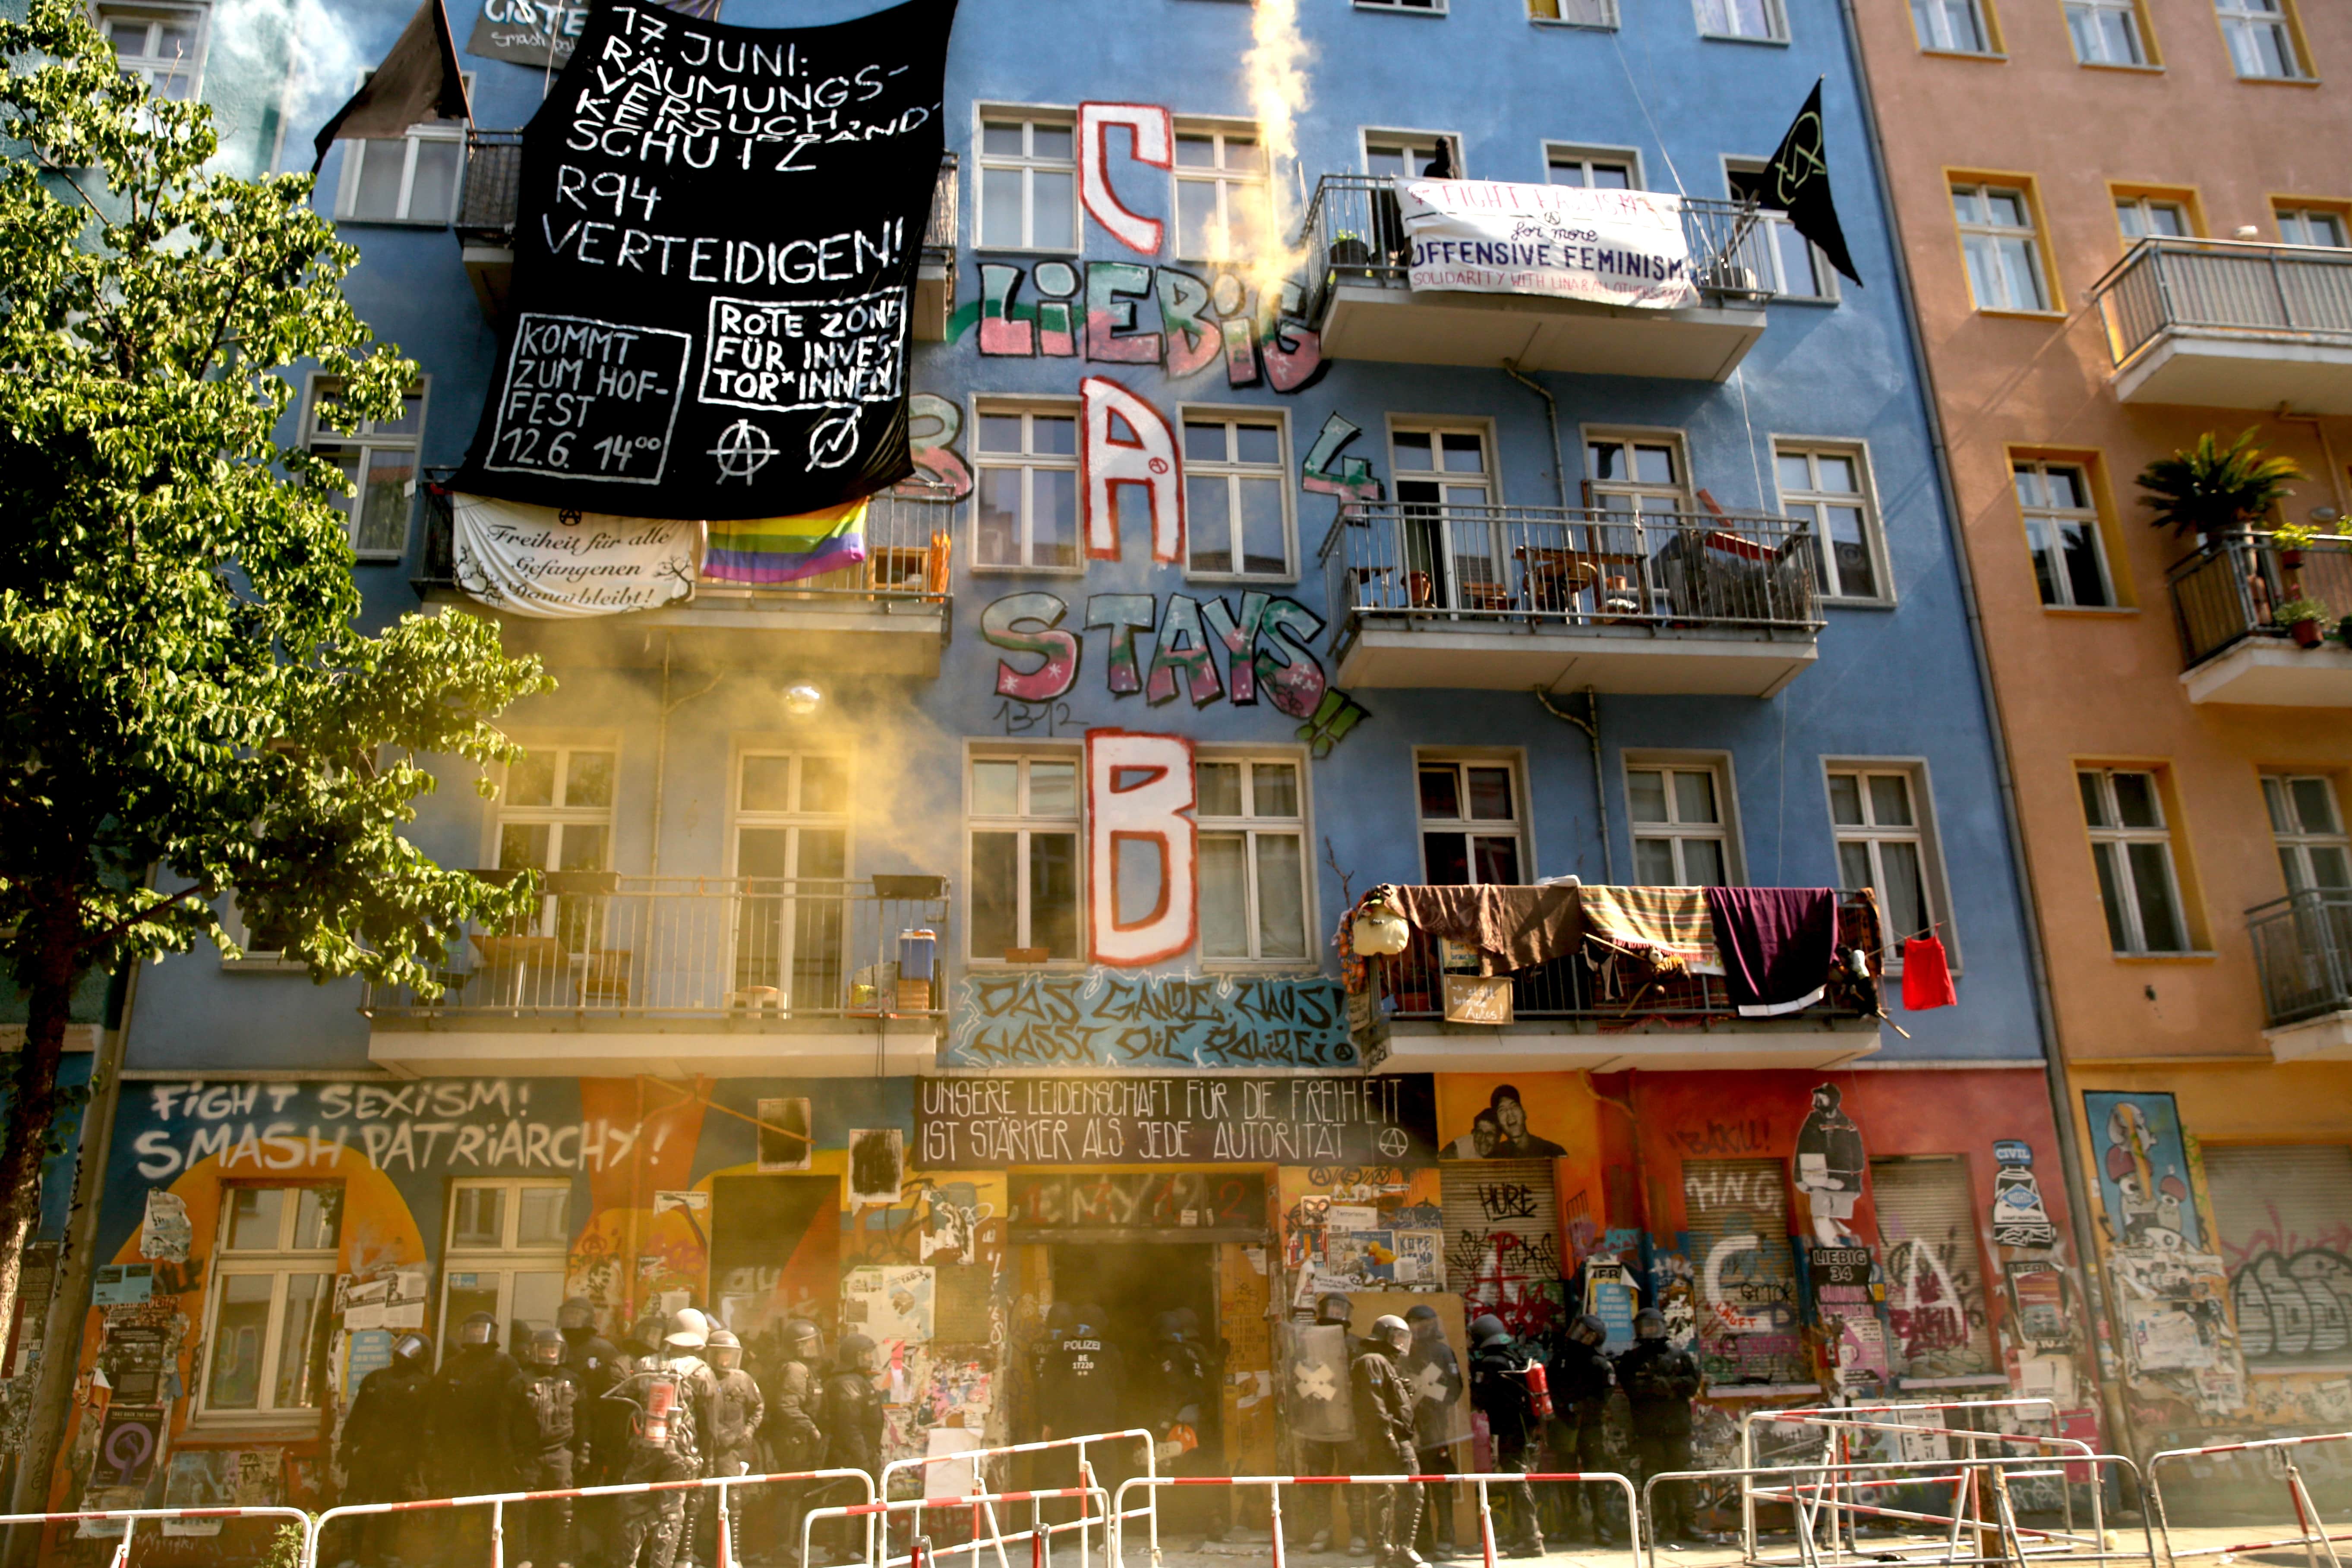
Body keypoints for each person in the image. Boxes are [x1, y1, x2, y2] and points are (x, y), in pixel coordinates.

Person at [609, 1308, 716, 1568]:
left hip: (645, 1447)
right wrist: (708, 1460)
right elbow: (710, 1424)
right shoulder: (701, 1371)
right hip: (680, 1453)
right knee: (670, 1514)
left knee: (632, 1510)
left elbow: (626, 1403)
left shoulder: (644, 1364)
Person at [336, 1332, 433, 1566]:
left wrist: (420, 1461)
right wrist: (348, 1444)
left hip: (399, 1456)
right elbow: (358, 1415)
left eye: (411, 1349)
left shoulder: (424, 1385)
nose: (402, 1353)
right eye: (402, 1346)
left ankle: (386, 1553)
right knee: (355, 1504)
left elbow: (427, 1427)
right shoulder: (376, 1379)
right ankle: (349, 1556)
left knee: (391, 1507)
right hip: (368, 1453)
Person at [1615, 1309, 1705, 1543]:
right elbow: (1631, 1387)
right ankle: (1656, 1523)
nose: (1650, 1331)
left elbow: (1693, 1384)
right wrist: (1650, 1387)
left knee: (1682, 1476)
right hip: (1649, 1428)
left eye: (1654, 1326)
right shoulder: (1633, 1358)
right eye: (1646, 1327)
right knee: (1652, 1477)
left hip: (1677, 1426)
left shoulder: (1678, 1356)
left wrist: (1668, 1385)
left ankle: (1687, 1522)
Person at [508, 1326, 590, 1568]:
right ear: (534, 1351)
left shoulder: (573, 1381)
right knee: (524, 1509)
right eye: (544, 1349)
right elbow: (504, 1422)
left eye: (553, 1349)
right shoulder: (520, 1382)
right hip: (528, 1455)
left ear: (562, 1352)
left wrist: (584, 1451)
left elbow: (585, 1419)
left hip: (561, 1454)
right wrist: (509, 1456)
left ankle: (562, 1558)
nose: (549, 1354)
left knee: (563, 1508)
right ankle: (523, 1558)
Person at [1351, 1315, 1426, 1568]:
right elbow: (1373, 1404)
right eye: (1397, 1337)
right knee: (1407, 1490)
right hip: (1388, 1437)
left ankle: (1390, 1552)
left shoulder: (1383, 1364)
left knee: (1387, 1493)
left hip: (1388, 1437)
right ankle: (1399, 1549)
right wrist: (1388, 1436)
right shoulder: (1372, 1361)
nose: (1401, 1344)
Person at [1466, 1315, 1542, 1558]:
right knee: (1516, 1480)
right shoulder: (1513, 1357)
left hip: (1510, 1432)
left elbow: (1482, 1399)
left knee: (1518, 1482)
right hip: (1521, 1429)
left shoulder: (1491, 1362)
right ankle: (1523, 1534)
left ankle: (1531, 1539)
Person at [1294, 1291, 1363, 1555]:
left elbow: (1361, 1386)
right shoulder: (1307, 1344)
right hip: (1317, 1422)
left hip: (1348, 1423)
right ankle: (1323, 1530)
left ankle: (1359, 1532)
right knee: (1319, 1480)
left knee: (1353, 1482)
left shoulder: (1356, 1345)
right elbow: (1298, 1380)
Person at [431, 1311, 524, 1498]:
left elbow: (517, 1405)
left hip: (490, 1439)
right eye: (472, 1329)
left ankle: (489, 1527)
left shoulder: (506, 1363)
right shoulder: (452, 1365)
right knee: (453, 1488)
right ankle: (449, 1528)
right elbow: (436, 1402)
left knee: (488, 1489)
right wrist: (434, 1435)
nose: (476, 1334)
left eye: (481, 1330)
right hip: (457, 1439)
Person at [757, 1319, 828, 1561]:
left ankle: (790, 1543)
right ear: (798, 1347)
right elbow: (788, 1406)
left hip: (798, 1440)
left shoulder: (804, 1369)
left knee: (796, 1492)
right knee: (790, 1493)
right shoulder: (795, 1369)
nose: (815, 1347)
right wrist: (811, 1429)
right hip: (792, 1441)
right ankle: (783, 1546)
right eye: (809, 1344)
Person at [1139, 1311, 1214, 1539]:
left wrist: (1165, 1420)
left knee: (1166, 1469)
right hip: (1194, 1417)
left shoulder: (1168, 1353)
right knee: (1191, 1468)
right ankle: (1203, 1520)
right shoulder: (1192, 1351)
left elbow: (1176, 1388)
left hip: (1178, 1419)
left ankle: (1169, 1523)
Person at [1545, 1315, 1618, 1545]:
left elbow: (1604, 1396)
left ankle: (1602, 1528)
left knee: (1595, 1477)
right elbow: (1550, 1388)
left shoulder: (1599, 1364)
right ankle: (1570, 1526)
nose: (1577, 1336)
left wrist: (1581, 1409)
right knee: (1566, 1478)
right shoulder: (1561, 1359)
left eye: (1584, 1333)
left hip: (1589, 1427)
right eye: (1577, 1329)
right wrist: (1562, 1410)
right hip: (1565, 1424)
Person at [1401, 1305, 1463, 1562]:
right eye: (1414, 1324)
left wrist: (1431, 1398)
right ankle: (1423, 1539)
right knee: (1417, 1486)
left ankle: (1446, 1539)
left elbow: (1454, 1390)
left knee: (1440, 1486)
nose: (1419, 1330)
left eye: (1423, 1324)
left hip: (1435, 1429)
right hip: (1412, 1428)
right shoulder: (1404, 1353)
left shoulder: (1441, 1352)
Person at [700, 1328, 765, 1564]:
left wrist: (749, 1430)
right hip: (705, 1447)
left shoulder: (743, 1379)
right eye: (721, 1354)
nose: (725, 1360)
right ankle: (692, 1554)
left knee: (733, 1501)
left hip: (731, 1450)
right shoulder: (702, 1376)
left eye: (730, 1355)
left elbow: (758, 1407)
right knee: (699, 1500)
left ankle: (733, 1556)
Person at [820, 1334, 885, 1564]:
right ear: (854, 1357)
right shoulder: (847, 1384)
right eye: (866, 1354)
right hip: (851, 1457)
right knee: (850, 1500)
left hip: (865, 1454)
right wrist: (862, 1457)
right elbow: (850, 1427)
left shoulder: (858, 1381)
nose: (870, 1358)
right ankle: (845, 1549)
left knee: (868, 1500)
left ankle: (865, 1546)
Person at [1487, 1086, 1566, 1160]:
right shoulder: (1494, 1157)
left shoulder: (1554, 1152)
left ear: (1524, 1113)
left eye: (1514, 1107)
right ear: (1498, 1123)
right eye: (1502, 1110)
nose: (1510, 1114)